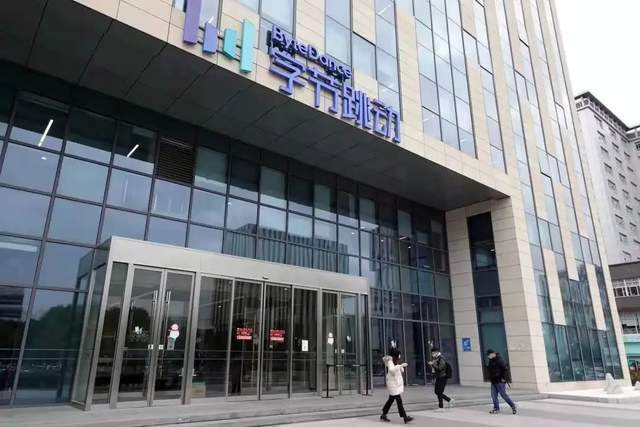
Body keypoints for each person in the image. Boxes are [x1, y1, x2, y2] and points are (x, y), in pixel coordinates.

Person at [380, 348, 414, 423]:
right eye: (399, 355)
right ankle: (405, 417)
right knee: (399, 401)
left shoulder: (395, 361)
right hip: (392, 385)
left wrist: (400, 367)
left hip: (395, 384)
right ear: (395, 355)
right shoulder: (390, 362)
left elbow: (397, 369)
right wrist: (400, 365)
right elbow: (392, 370)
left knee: (391, 400)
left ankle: (384, 414)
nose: (400, 356)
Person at [486, 349, 517, 414]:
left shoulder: (499, 360)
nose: (488, 356)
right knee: (493, 396)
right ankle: (496, 409)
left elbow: (505, 369)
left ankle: (513, 406)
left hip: (500, 381)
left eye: (489, 355)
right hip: (493, 381)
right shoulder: (491, 361)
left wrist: (503, 378)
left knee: (503, 395)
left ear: (492, 354)